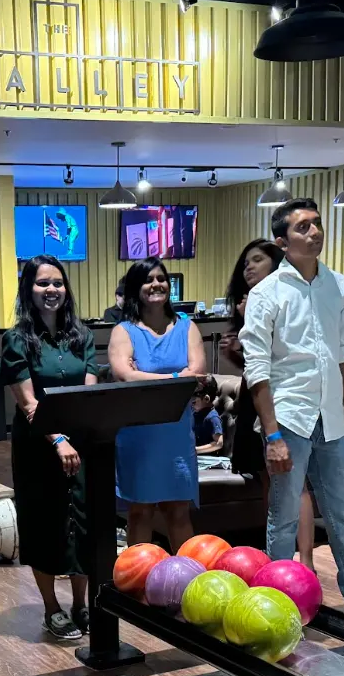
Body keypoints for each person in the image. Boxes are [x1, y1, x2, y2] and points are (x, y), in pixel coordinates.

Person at [240, 199, 344, 632]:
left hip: (332, 418)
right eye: (302, 227)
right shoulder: (266, 293)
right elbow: (256, 368)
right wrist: (272, 436)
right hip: (289, 419)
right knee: (284, 519)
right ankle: (274, 606)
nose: (314, 232)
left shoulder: (338, 285)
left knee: (342, 517)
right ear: (282, 241)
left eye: (317, 224)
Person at [0, 254, 98, 642]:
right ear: (29, 289)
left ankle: (80, 604)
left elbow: (88, 391)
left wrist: (76, 436)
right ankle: (51, 609)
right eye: (43, 284)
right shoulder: (16, 339)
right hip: (38, 447)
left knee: (83, 523)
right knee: (44, 523)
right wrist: (57, 439)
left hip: (81, 443)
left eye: (57, 283)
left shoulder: (83, 336)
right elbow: (27, 403)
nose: (51, 290)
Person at [220, 238, 316, 570]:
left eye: (257, 260)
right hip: (255, 402)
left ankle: (303, 561)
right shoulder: (253, 302)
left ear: (275, 263)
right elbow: (257, 366)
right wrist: (235, 352)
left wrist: (251, 321)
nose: (248, 266)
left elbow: (287, 356)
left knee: (292, 484)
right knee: (268, 481)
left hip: (284, 401)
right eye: (245, 262)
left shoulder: (291, 297)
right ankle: (278, 558)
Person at [110, 257, 205, 549]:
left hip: (176, 435)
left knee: (178, 511)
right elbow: (125, 376)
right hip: (139, 436)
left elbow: (198, 374)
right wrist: (177, 377)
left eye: (161, 279)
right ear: (136, 289)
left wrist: (147, 377)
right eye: (148, 280)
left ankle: (187, 582)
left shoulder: (187, 327)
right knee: (140, 512)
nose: (156, 284)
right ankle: (136, 585)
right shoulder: (123, 331)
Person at [193, 376, 224, 455]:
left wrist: (195, 450)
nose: (191, 405)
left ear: (206, 399)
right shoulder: (195, 414)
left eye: (194, 402)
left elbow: (218, 443)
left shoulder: (212, 418)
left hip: (207, 460)